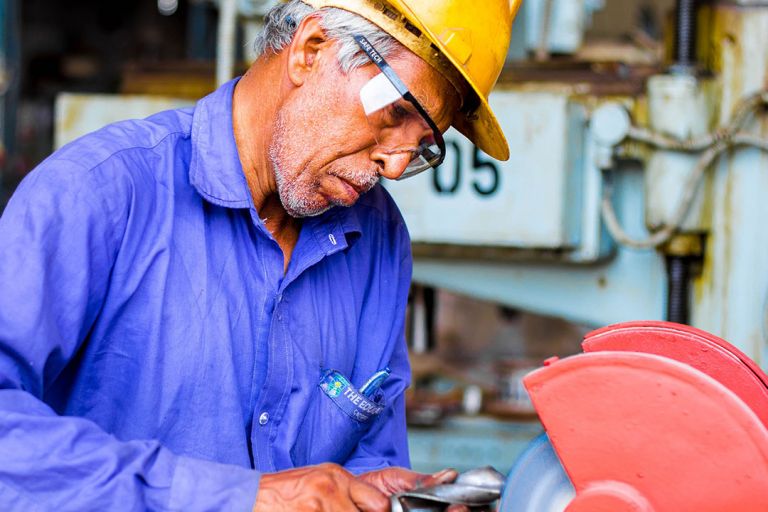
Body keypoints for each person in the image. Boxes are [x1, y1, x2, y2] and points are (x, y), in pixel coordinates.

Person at [0, 0, 519, 510]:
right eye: (396, 113)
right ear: (311, 50)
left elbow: (364, 458)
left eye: (424, 144)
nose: (393, 161)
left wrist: (387, 498)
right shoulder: (98, 193)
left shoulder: (377, 238)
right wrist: (237, 498)